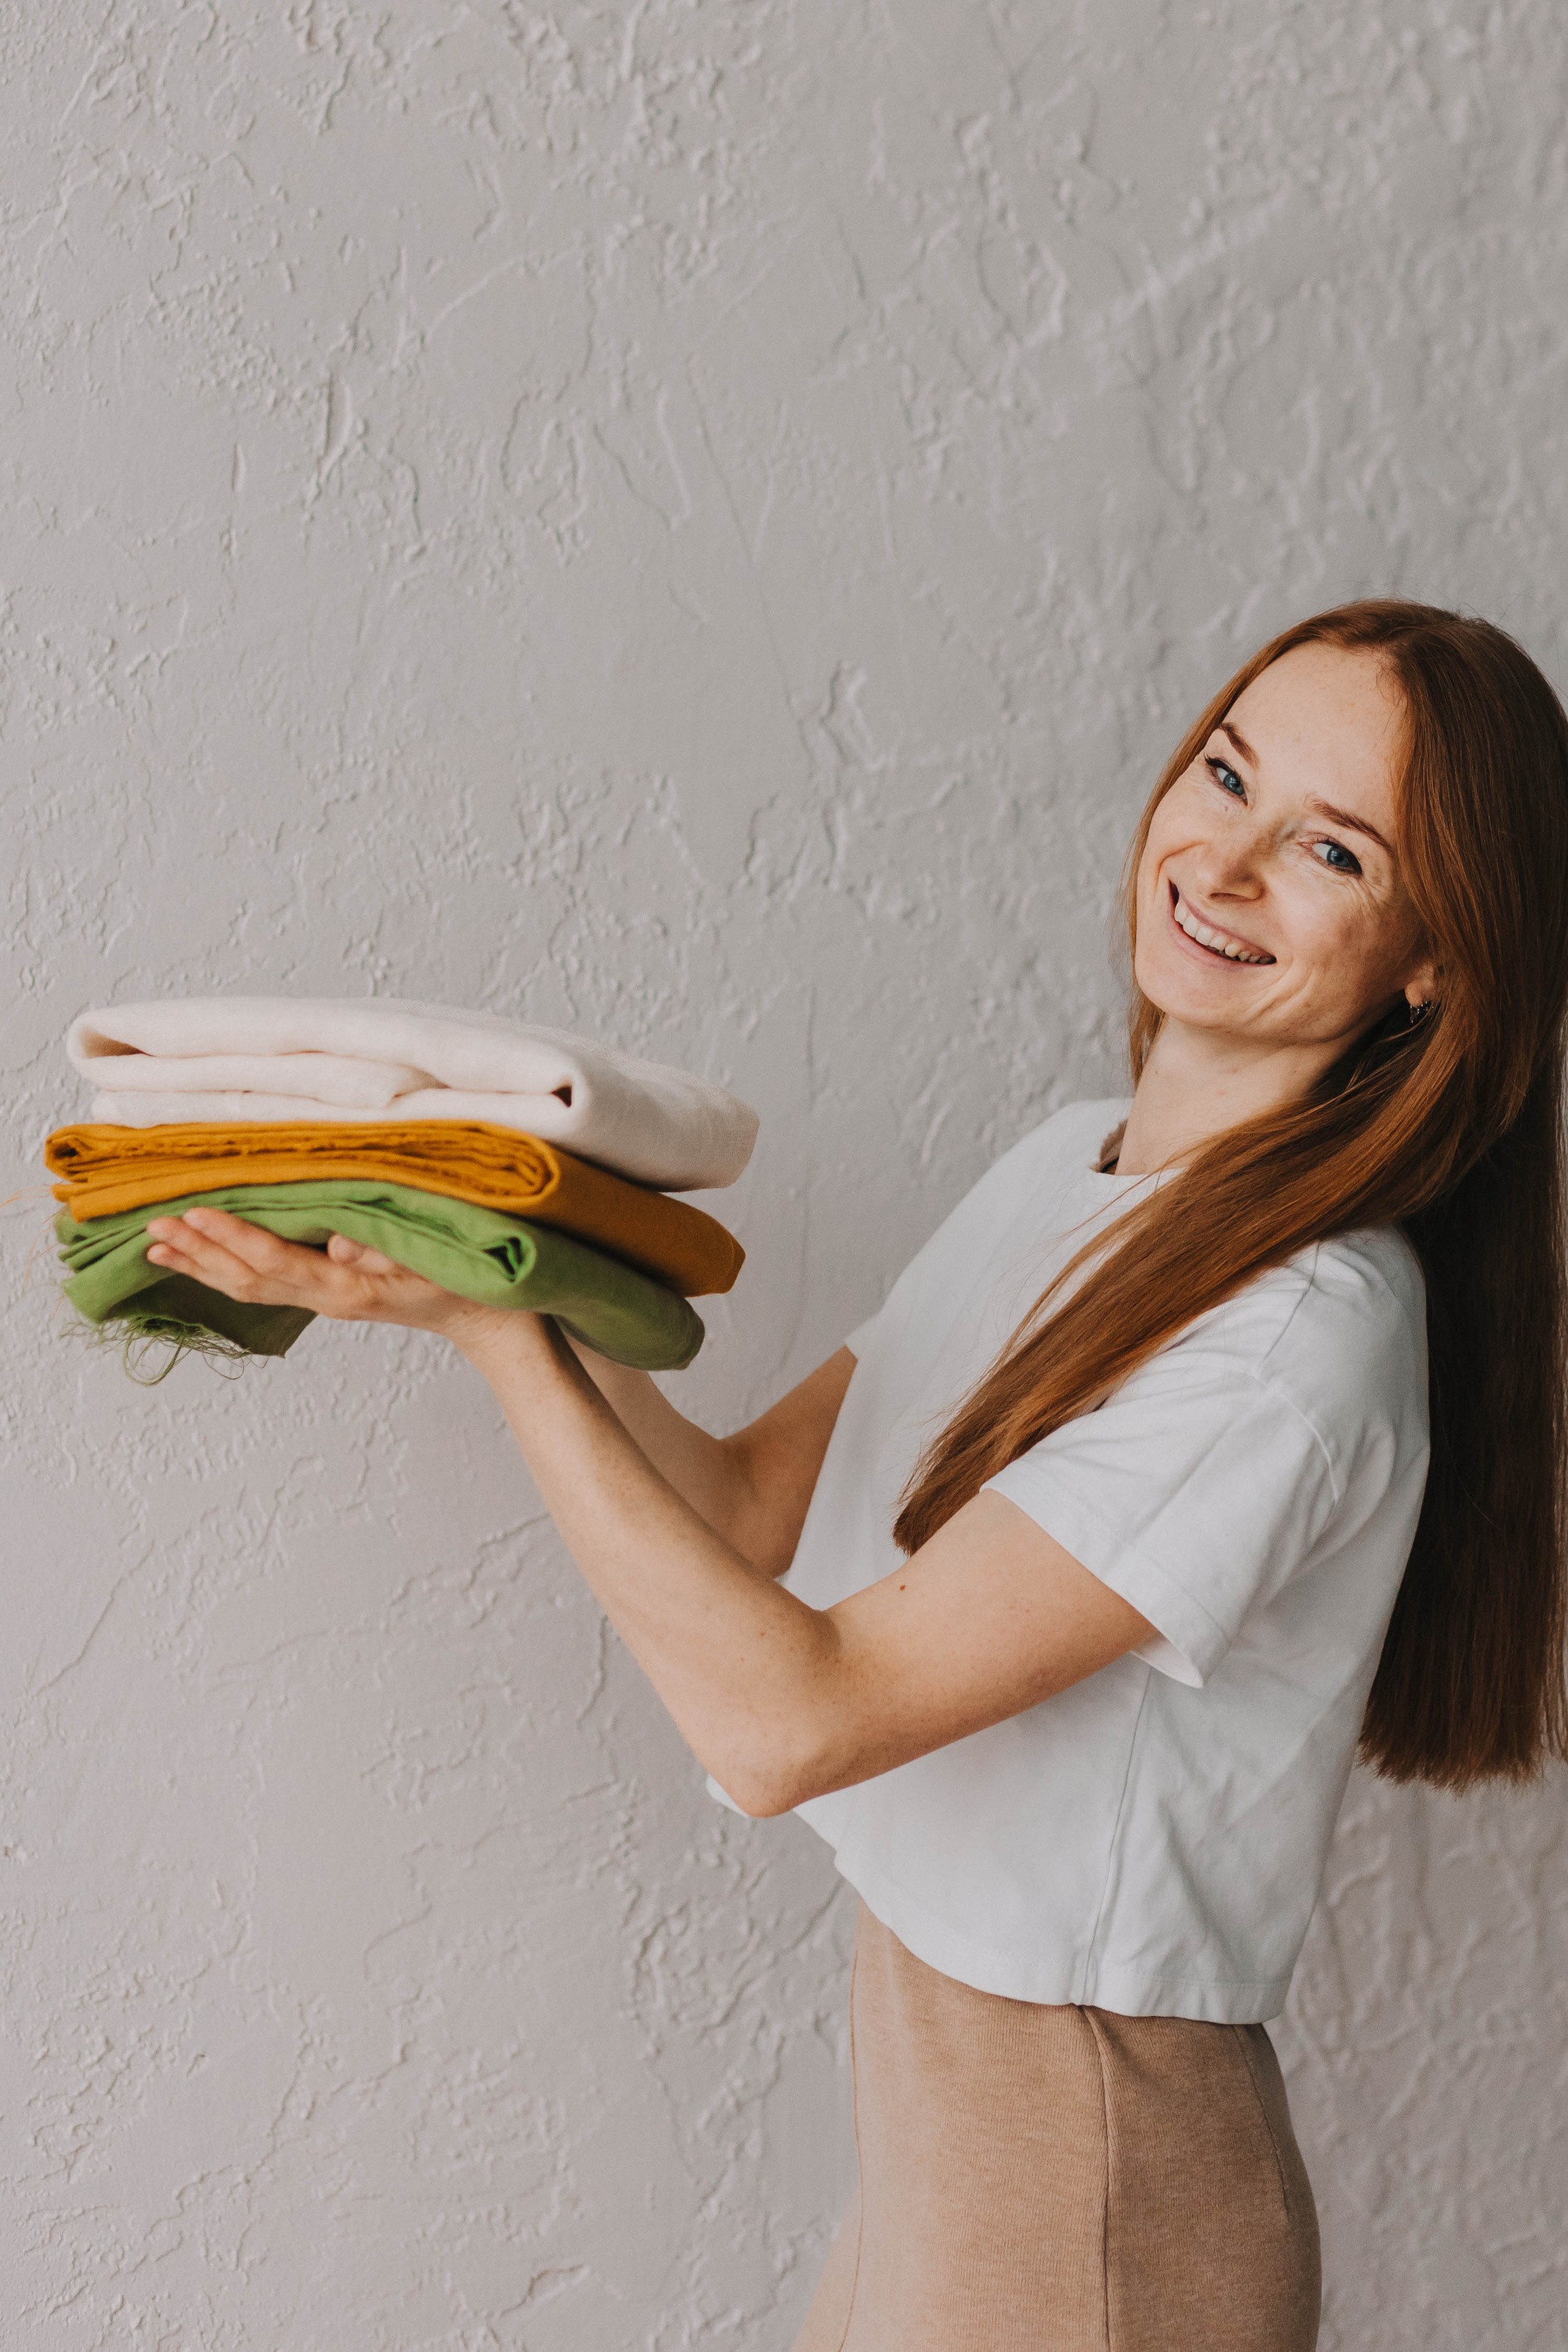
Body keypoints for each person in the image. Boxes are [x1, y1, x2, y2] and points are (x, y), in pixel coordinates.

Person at [141, 600, 1568, 2351]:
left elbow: (788, 1719)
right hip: (943, 2098)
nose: (1226, 861)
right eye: (1225, 773)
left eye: (1330, 848)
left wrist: (519, 1354)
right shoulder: (1071, 1166)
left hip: (1084, 2158)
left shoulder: (1298, 1332)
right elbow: (749, 1510)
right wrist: (465, 1289)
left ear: (1435, 959)